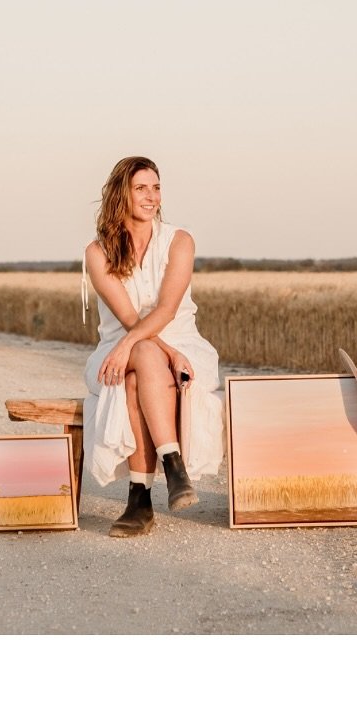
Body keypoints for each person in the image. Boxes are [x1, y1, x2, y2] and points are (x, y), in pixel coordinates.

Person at [82, 156, 224, 537]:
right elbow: (129, 319)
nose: (151, 196)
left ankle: (139, 502)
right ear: (120, 194)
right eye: (141, 188)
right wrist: (155, 350)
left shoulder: (179, 241)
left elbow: (166, 309)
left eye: (156, 187)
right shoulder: (98, 253)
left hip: (181, 343)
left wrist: (168, 350)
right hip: (118, 347)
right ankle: (173, 466)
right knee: (141, 354)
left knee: (137, 370)